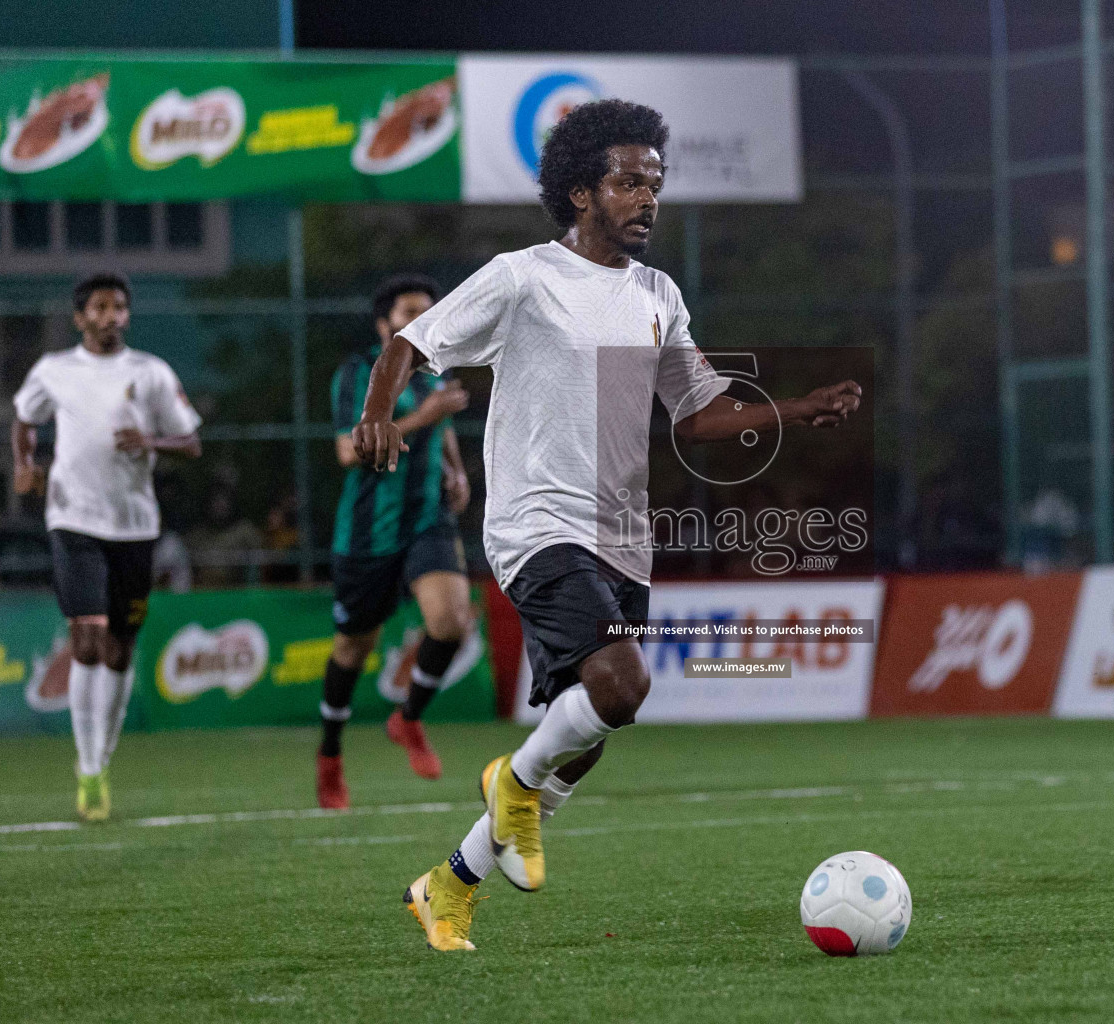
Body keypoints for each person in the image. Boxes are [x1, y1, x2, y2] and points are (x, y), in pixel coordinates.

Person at [349, 101, 862, 950]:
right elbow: (410, 343)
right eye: (629, 182)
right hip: (536, 521)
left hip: (624, 533)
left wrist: (793, 409)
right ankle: (510, 783)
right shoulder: (523, 278)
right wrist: (377, 414)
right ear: (581, 192)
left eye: (655, 183)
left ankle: (448, 884)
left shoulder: (659, 292)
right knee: (621, 687)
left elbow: (695, 416)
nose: (647, 198)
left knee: (587, 733)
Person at [10, 272, 201, 821]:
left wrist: (153, 441)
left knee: (119, 650)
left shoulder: (150, 372)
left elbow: (190, 440)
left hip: (135, 527)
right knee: (88, 639)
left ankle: (101, 756)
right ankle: (89, 768)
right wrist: (25, 466)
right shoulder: (55, 370)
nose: (111, 315)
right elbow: (25, 417)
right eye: (100, 307)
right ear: (80, 317)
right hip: (73, 520)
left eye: (119, 307)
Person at [314, 274, 474, 810]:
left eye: (428, 310)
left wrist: (457, 472)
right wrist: (426, 416)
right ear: (383, 323)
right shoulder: (358, 373)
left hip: (427, 518)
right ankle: (330, 757)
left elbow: (443, 429)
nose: (422, 319)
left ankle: (408, 720)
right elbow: (344, 452)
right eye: (409, 312)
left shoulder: (433, 370)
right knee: (352, 650)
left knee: (451, 621)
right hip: (367, 533)